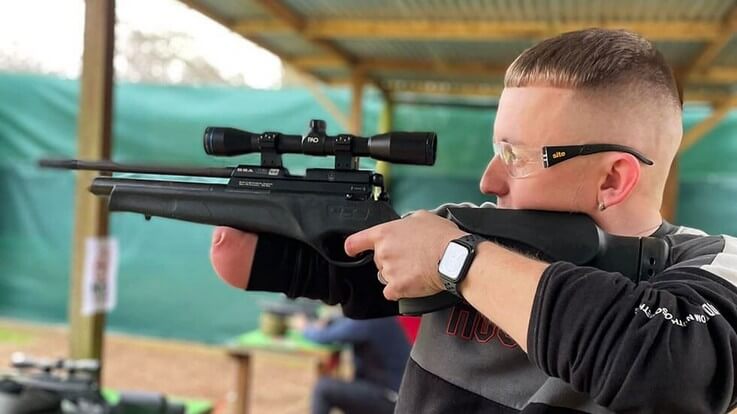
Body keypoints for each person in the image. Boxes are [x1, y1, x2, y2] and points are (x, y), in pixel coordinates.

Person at [209, 28, 737, 413]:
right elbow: (341, 268)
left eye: (516, 156)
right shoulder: (468, 231)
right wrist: (251, 241)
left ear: (611, 181)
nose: (489, 180)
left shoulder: (716, 265)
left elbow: (674, 369)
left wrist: (454, 260)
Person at [293, 313, 410, 414]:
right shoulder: (380, 316)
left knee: (323, 389)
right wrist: (328, 321)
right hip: (393, 395)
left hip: (389, 397)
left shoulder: (371, 319)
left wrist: (305, 327)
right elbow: (344, 323)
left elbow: (326, 336)